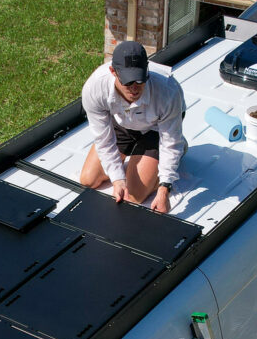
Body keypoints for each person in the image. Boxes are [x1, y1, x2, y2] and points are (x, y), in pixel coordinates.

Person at [79, 41, 185, 214]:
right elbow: (103, 140)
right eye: (128, 82)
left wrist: (164, 188)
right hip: (123, 123)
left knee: (134, 195)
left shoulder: (167, 91)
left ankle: (182, 146)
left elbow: (170, 142)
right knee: (88, 180)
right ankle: (135, 154)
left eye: (140, 80)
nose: (134, 88)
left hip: (156, 130)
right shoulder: (94, 88)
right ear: (113, 72)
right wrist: (117, 179)